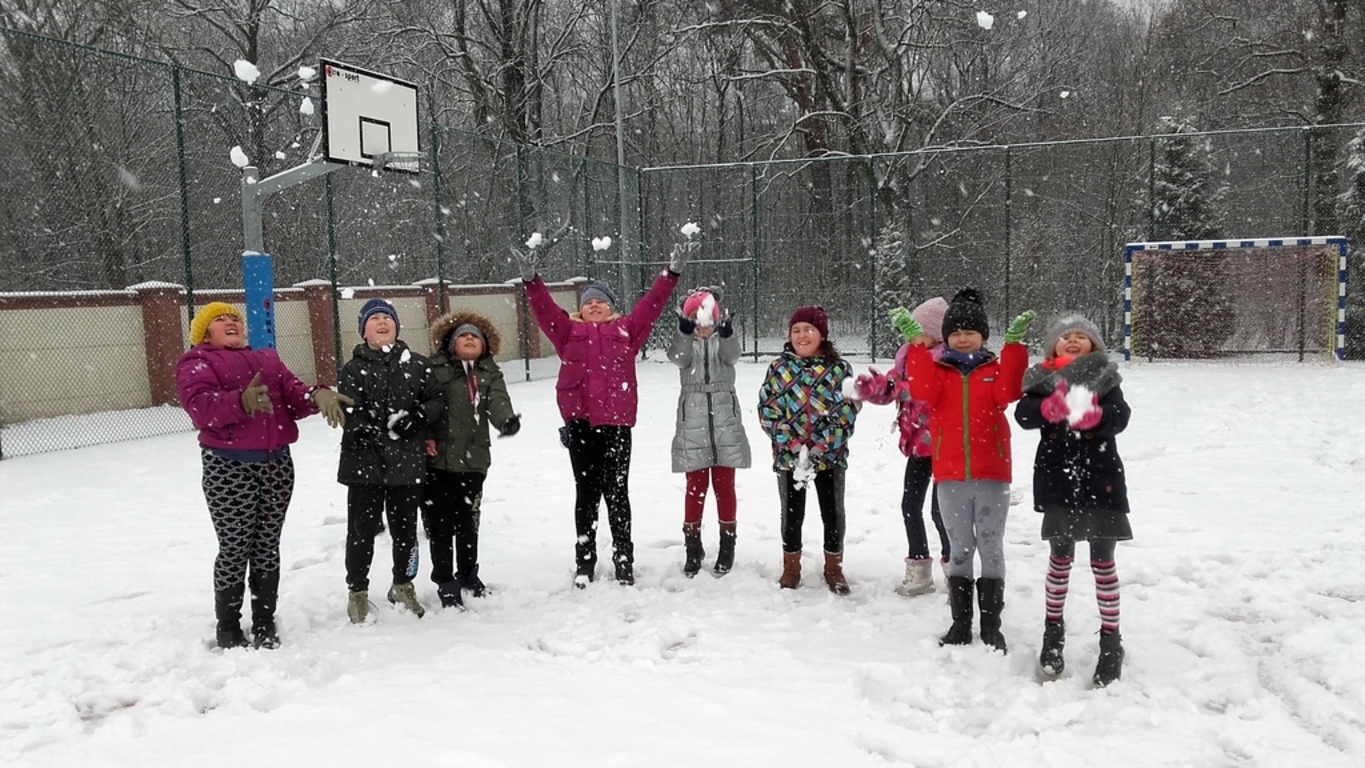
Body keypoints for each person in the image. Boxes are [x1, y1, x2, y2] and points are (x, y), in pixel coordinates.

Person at [514, 240, 690, 587]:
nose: (594, 306)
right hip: (580, 426)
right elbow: (546, 311)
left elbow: (651, 306)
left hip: (616, 426)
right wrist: (532, 280)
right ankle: (585, 560)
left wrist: (672, 273)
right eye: (588, 302)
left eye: (601, 302)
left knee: (617, 492)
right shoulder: (568, 332)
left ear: (611, 309)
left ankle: (624, 558)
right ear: (581, 309)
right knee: (586, 493)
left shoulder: (626, 330)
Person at [176, 301, 349, 649]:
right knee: (235, 546)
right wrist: (241, 401)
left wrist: (317, 395)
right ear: (205, 333)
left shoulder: (267, 358)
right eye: (220, 320)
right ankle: (228, 626)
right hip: (229, 466)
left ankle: (265, 621)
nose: (231, 323)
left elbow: (293, 396)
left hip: (276, 465)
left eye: (235, 319)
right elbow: (200, 408)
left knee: (267, 544)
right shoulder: (197, 362)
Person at [892, 288, 1033, 651]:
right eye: (956, 332)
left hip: (991, 474)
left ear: (983, 335)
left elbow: (1010, 393)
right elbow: (921, 389)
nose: (963, 337)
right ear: (947, 337)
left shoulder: (994, 370)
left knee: (991, 548)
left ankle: (991, 625)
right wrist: (916, 345)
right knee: (959, 550)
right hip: (950, 475)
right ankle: (960, 624)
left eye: (971, 331)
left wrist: (1015, 347)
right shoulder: (938, 373)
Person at [1013, 313, 1131, 686]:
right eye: (1066, 337)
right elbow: (1024, 413)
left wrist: (1096, 416)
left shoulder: (1105, 378)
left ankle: (1111, 642)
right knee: (1060, 560)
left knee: (1103, 564)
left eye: (1082, 336)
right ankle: (1053, 635)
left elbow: (1120, 416)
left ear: (1094, 345)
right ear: (1053, 347)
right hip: (1059, 484)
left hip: (1102, 482)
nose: (1074, 340)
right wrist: (1047, 409)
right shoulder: (1042, 380)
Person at [336, 298, 445, 623]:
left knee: (405, 532)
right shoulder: (353, 368)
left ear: (397, 326)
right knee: (361, 531)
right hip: (363, 465)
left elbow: (436, 398)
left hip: (406, 463)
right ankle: (357, 592)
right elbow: (348, 407)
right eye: (374, 319)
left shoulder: (418, 365)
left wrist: (418, 417)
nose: (382, 322)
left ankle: (403, 583)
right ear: (363, 330)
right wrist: (364, 427)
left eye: (387, 317)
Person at [757, 306, 862, 595]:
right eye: (796, 330)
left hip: (830, 456)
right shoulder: (779, 369)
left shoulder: (839, 370)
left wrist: (821, 445)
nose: (802, 335)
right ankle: (791, 566)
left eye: (808, 329)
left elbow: (847, 412)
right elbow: (768, 410)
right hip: (790, 459)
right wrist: (791, 445)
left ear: (822, 334)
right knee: (792, 514)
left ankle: (834, 566)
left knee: (832, 513)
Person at [855, 296, 952, 596]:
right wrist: (873, 389)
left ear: (935, 333)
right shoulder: (906, 356)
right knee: (910, 506)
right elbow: (891, 387)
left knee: (943, 513)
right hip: (917, 449)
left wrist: (900, 387)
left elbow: (926, 390)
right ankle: (919, 568)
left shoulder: (947, 360)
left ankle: (956, 571)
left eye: (918, 330)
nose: (911, 336)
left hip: (945, 448)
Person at [423, 310, 520, 608]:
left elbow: (498, 402)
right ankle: (445, 581)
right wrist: (426, 433)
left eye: (474, 336)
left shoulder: (489, 373)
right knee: (440, 526)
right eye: (462, 335)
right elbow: (421, 403)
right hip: (436, 461)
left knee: (468, 523)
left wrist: (506, 421)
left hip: (474, 461)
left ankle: (468, 574)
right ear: (450, 344)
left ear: (484, 346)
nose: (468, 339)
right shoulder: (434, 370)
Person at [667, 287, 752, 577]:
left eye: (706, 319)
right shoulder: (687, 345)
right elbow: (677, 357)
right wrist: (683, 333)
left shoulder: (721, 344)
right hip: (693, 423)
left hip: (725, 421)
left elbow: (733, 356)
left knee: (725, 486)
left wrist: (727, 335)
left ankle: (727, 547)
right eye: (694, 318)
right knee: (695, 487)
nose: (702, 325)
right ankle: (693, 547)